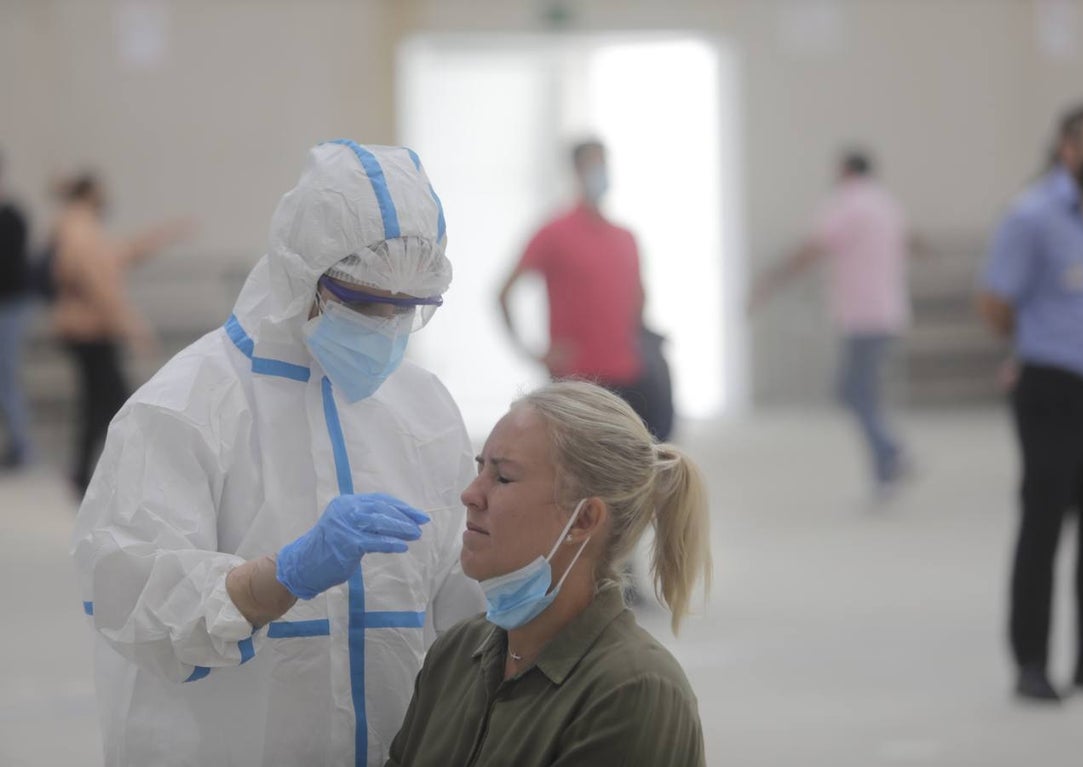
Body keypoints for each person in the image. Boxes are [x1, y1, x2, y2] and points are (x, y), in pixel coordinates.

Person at [73, 141, 484, 766]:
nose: (384, 327)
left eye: (406, 311)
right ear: (301, 274)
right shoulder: (184, 408)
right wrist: (274, 580)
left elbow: (466, 609)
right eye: (364, 302)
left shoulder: (425, 411)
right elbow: (133, 600)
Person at [386, 380, 710, 766]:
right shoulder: (455, 654)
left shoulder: (632, 690)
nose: (470, 494)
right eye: (480, 468)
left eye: (503, 477)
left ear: (584, 519)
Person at [979, 103, 1083, 702]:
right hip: (1053, 389)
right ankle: (1031, 663)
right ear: (1068, 150)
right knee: (1044, 524)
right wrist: (1038, 345)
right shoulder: (1032, 216)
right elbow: (996, 303)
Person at [748, 149, 914, 499]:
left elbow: (814, 247)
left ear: (845, 170)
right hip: (888, 312)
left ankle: (890, 454)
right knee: (861, 391)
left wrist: (772, 280)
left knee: (853, 391)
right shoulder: (886, 204)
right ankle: (886, 462)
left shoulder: (847, 204)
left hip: (863, 315)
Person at [498, 139, 674, 441]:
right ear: (576, 171)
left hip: (629, 376)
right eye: (592, 165)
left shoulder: (625, 238)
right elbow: (504, 293)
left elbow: (638, 302)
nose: (600, 172)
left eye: (603, 164)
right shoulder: (554, 233)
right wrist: (533, 353)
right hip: (577, 382)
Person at [50, 172, 190, 494]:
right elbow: (96, 281)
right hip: (90, 330)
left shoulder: (80, 227)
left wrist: (161, 237)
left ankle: (85, 473)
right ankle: (121, 474)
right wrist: (129, 324)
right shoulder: (78, 229)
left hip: (93, 328)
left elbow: (117, 257)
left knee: (99, 404)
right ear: (89, 194)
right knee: (116, 403)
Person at [0, 152, 33, 468]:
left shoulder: (12, 217)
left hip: (8, 306)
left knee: (7, 377)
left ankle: (22, 448)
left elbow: (11, 267)